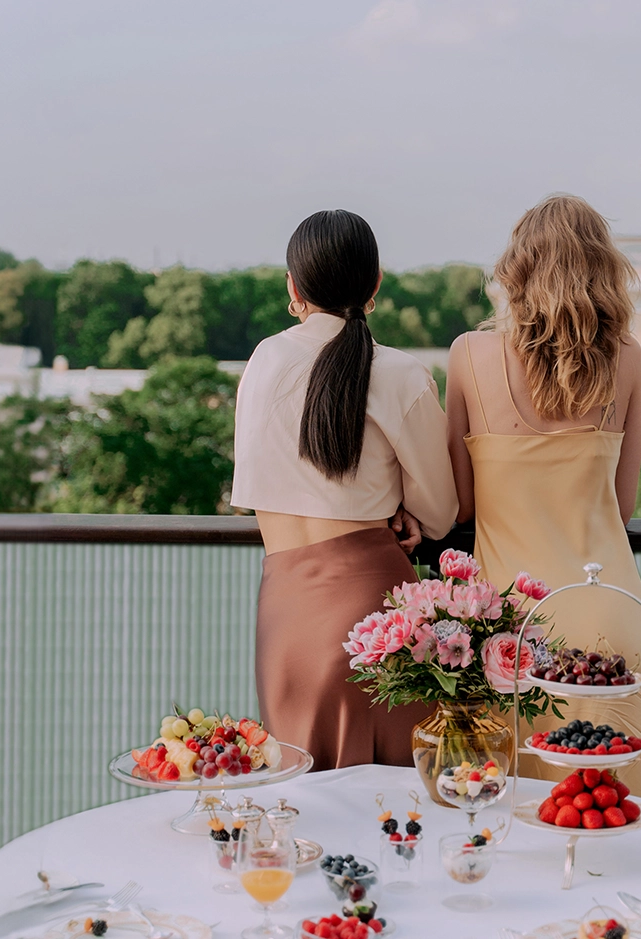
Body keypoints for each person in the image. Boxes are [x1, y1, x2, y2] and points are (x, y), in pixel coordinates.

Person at [445, 194, 641, 803]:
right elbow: (620, 509)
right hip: (607, 610)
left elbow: (460, 507)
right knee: (618, 809)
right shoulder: (626, 357)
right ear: (603, 267)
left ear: (517, 267)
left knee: (512, 814)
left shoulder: (469, 355)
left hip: (511, 631)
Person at [231, 209, 458, 769]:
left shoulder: (262, 362)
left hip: (285, 616)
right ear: (375, 283)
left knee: (301, 804)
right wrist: (401, 507)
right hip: (378, 612)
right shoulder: (401, 374)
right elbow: (441, 513)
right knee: (399, 813)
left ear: (293, 285)